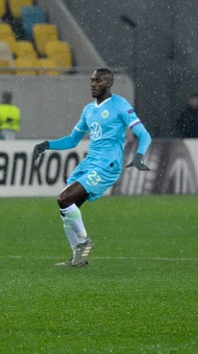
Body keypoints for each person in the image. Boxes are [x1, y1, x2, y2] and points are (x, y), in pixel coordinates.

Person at [32, 68, 152, 267]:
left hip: (107, 165)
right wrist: (47, 145)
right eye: (92, 80)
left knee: (64, 199)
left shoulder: (120, 105)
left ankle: (84, 241)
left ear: (109, 84)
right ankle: (78, 258)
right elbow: (72, 140)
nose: (93, 84)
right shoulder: (88, 110)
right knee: (66, 210)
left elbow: (144, 134)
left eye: (98, 80)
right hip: (89, 163)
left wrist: (139, 155)